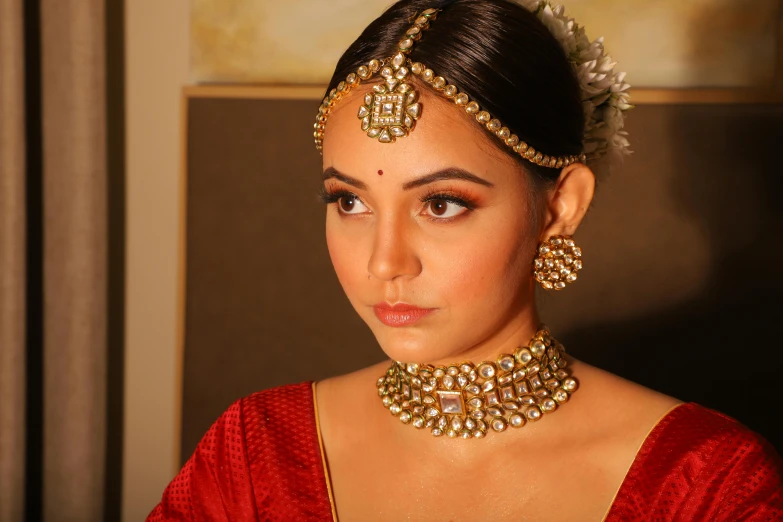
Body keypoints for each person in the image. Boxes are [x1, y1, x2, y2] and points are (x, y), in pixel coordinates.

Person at [148, 0, 783, 520]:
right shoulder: (255, 452)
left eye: (442, 204)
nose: (384, 262)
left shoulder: (705, 484)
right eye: (349, 201)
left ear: (561, 207)